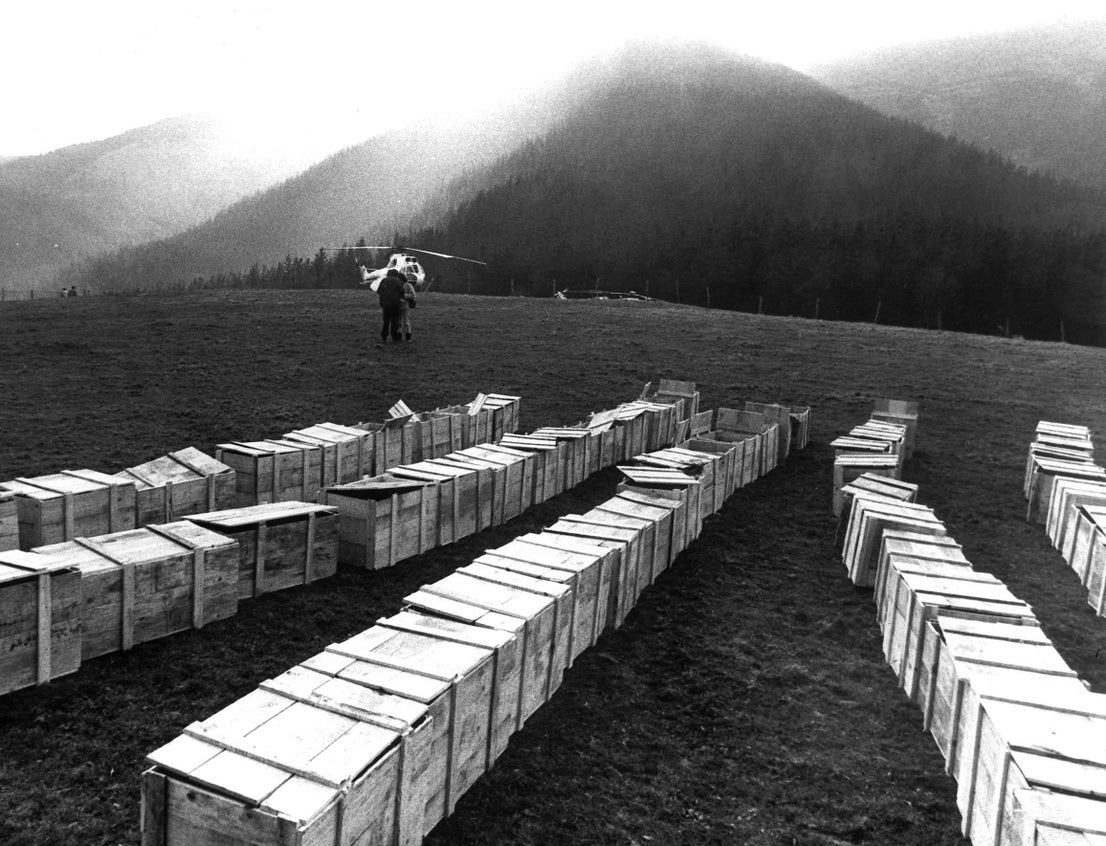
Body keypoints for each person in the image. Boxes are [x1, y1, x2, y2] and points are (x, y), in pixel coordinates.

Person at [375, 268, 406, 347]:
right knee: (394, 321)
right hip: (396, 304)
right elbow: (402, 292)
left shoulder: (384, 281)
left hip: (386, 304)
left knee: (386, 321)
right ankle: (394, 337)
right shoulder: (398, 281)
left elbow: (379, 291)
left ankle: (384, 337)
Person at [398, 275, 417, 342]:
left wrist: (403, 296)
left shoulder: (408, 285)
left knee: (406, 322)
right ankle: (400, 337)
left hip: (406, 305)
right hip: (399, 306)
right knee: (399, 322)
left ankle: (408, 337)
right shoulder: (400, 286)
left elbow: (413, 295)